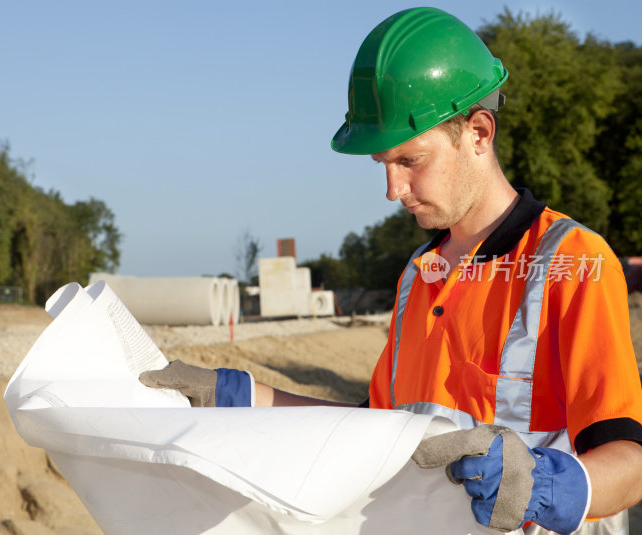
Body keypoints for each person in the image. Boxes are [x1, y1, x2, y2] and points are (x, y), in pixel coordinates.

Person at [140, 7, 642, 534]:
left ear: (478, 132)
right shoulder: (417, 276)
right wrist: (240, 397)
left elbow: (629, 464)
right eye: (383, 165)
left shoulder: (572, 263)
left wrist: (544, 484)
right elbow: (374, 426)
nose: (392, 190)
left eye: (410, 162)